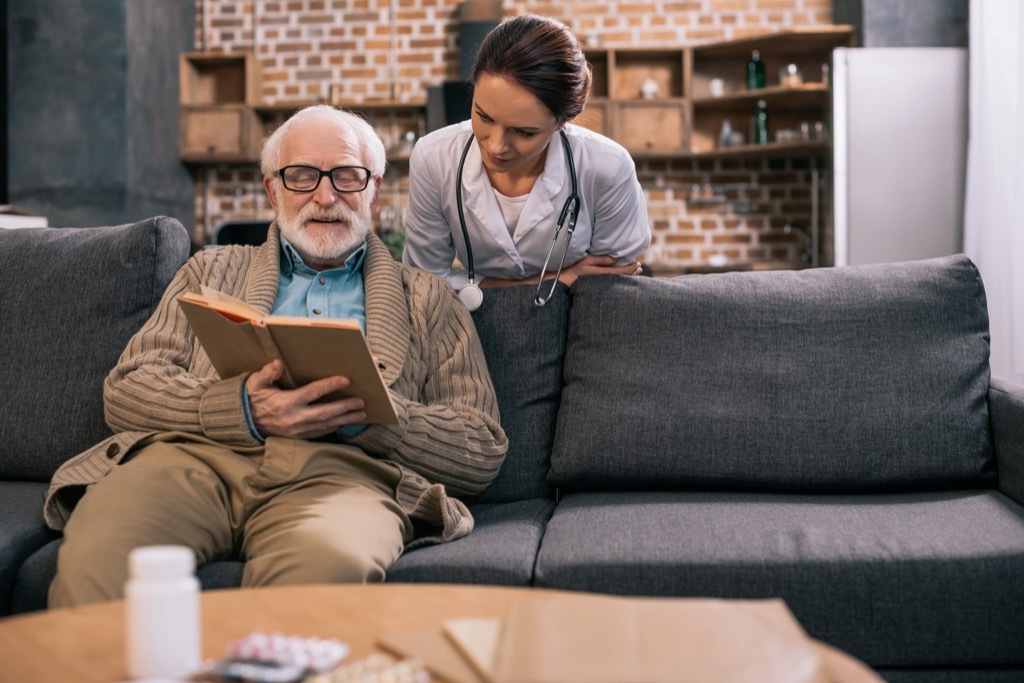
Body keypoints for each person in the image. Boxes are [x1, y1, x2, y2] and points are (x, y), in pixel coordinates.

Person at [45, 105, 508, 607]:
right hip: (188, 463)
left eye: (347, 177)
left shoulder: (429, 298)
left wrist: (371, 415)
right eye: (302, 177)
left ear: (373, 190)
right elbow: (128, 387)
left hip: (345, 479)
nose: (326, 196)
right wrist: (241, 407)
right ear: (273, 190)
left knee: (322, 572)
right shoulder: (210, 270)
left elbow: (480, 449)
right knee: (101, 559)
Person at [403, 13, 652, 310]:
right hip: (471, 330)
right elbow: (423, 284)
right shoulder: (434, 159)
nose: (496, 145)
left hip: (579, 328)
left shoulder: (607, 167)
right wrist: (560, 280)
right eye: (484, 116)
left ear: (562, 121)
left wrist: (482, 285)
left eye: (524, 132)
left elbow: (614, 287)